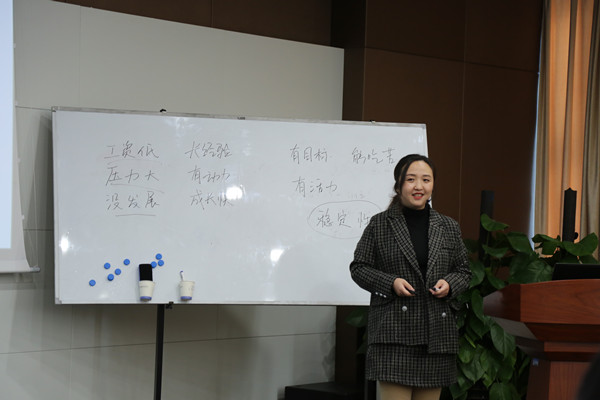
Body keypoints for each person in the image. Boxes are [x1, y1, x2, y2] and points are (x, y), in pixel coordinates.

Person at [349, 154, 471, 400]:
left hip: (436, 337)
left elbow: (464, 271)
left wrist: (449, 284)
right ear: (398, 185)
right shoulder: (380, 224)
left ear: (433, 184)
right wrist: (390, 283)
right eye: (411, 179)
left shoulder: (448, 226)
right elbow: (359, 268)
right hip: (394, 335)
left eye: (426, 179)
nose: (419, 186)